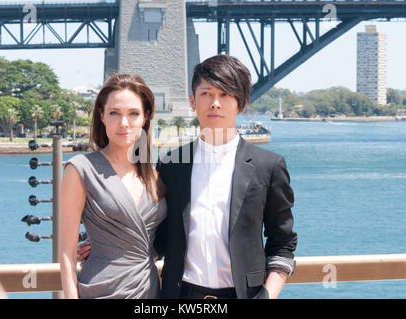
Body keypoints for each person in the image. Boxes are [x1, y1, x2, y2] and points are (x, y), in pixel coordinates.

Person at [78, 54, 297, 299]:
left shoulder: (268, 166)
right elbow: (159, 236)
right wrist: (107, 248)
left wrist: (268, 295)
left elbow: (283, 243)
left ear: (243, 103)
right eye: (206, 93)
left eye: (225, 94)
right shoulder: (171, 164)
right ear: (193, 100)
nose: (215, 103)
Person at [60, 73, 167, 299]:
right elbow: (67, 252)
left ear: (146, 117)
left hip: (148, 292)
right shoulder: (80, 169)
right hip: (101, 290)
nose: (124, 123)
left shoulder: (155, 177)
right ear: (102, 116)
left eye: (133, 114)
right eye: (114, 113)